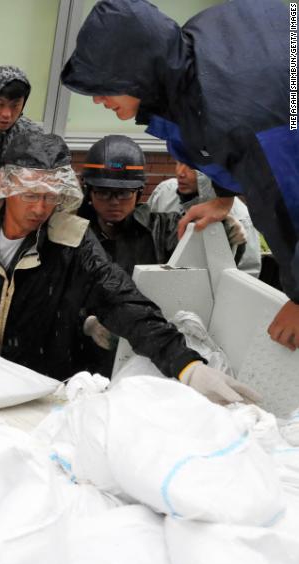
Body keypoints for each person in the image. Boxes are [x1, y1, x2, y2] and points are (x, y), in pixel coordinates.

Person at [0, 132, 258, 405]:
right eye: (31, 195)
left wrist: (186, 365)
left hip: (34, 392)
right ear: (4, 189)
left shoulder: (71, 242)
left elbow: (124, 301)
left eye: (51, 196)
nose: (40, 208)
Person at [61, 0, 299, 350]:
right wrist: (223, 198)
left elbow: (286, 198)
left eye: (104, 87)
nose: (98, 100)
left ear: (136, 73)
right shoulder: (187, 66)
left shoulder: (243, 119)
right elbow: (217, 144)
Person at [75, 134, 247, 373]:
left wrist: (224, 237)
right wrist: (84, 322)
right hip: (81, 360)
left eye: (124, 194)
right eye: (104, 192)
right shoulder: (72, 234)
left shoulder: (160, 228)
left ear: (139, 192)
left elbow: (202, 262)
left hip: (147, 352)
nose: (114, 202)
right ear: (89, 192)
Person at [147, 162, 261, 277]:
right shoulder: (164, 192)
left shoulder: (242, 218)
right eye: (179, 162)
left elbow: (246, 279)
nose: (180, 173)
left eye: (191, 167)